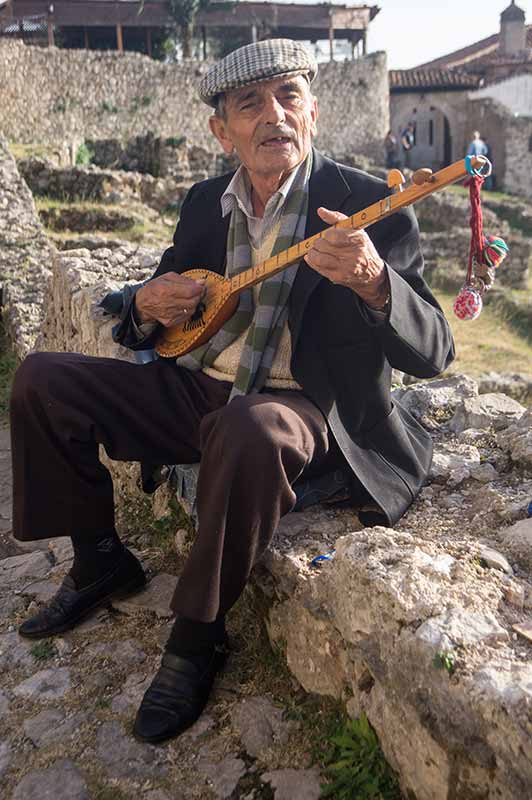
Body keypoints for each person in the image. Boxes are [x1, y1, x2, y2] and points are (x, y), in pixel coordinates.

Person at [10, 39, 454, 745]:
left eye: (289, 96)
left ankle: (197, 636)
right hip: (200, 391)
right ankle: (98, 561)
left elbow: (434, 348)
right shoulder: (200, 207)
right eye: (251, 103)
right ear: (223, 130)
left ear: (313, 111)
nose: (274, 115)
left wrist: (375, 284)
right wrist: (146, 306)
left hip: (302, 409)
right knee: (42, 379)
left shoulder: (372, 205)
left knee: (250, 427)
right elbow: (144, 319)